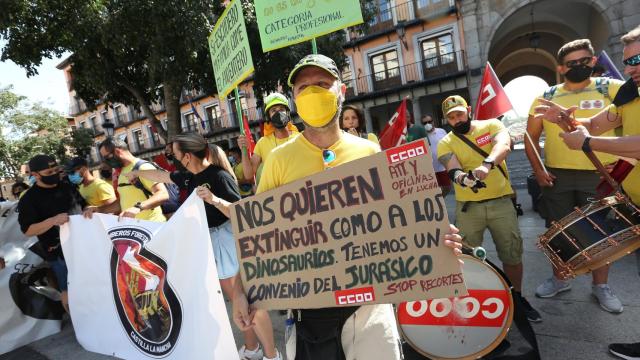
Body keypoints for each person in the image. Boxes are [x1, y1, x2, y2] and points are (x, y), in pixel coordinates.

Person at [232, 54, 464, 360]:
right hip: (309, 309)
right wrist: (238, 290)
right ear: (295, 100)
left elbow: (399, 219)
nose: (313, 92)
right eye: (304, 87)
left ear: (341, 91)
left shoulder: (369, 150)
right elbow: (259, 235)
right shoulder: (278, 160)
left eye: (322, 84)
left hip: (370, 306)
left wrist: (437, 243)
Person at [533, 25, 640, 360]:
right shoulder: (628, 93)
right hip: (633, 197)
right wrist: (565, 120)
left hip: (607, 180)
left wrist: (589, 144)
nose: (630, 68)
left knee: (604, 240)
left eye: (637, 59)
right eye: (627, 62)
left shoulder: (614, 87)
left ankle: (601, 287)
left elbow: (596, 138)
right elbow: (593, 125)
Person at [124, 134, 279, 360]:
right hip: (213, 242)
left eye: (176, 156)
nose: (174, 160)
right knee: (239, 304)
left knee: (252, 303)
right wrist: (137, 173)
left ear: (187, 156)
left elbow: (240, 214)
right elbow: (161, 175)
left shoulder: (219, 176)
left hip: (229, 241)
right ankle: (252, 350)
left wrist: (214, 200)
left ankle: (272, 355)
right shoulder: (188, 177)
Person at [525, 39, 624, 313]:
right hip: (558, 178)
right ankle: (560, 279)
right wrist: (538, 170)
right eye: (572, 64)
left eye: (584, 61)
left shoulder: (613, 89)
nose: (579, 66)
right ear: (561, 68)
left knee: (601, 234)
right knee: (559, 232)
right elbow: (529, 136)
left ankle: (600, 286)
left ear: (593, 62)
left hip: (601, 175)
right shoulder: (547, 97)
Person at [437, 95, 541, 323]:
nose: (456, 120)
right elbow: (451, 168)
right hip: (468, 208)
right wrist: (464, 178)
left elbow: (503, 145)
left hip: (501, 202)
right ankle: (473, 299)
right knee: (465, 257)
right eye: (451, 117)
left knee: (512, 253)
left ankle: (517, 297)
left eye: (459, 114)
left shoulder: (492, 124)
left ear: (469, 110)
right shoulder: (445, 142)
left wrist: (487, 164)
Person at [17, 154, 88, 312]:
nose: (54, 174)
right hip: (57, 252)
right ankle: (79, 324)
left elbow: (84, 205)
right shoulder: (28, 199)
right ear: (35, 175)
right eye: (48, 173)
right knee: (68, 289)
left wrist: (89, 210)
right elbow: (28, 230)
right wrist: (52, 220)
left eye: (56, 170)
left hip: (83, 246)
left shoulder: (68, 187)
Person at [98, 137, 168, 221]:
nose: (106, 161)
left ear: (117, 151)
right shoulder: (122, 172)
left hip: (153, 225)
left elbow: (163, 194)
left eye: (107, 157)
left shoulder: (143, 167)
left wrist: (138, 207)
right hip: (138, 229)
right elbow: (122, 202)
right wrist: (99, 209)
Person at [237, 92, 299, 185]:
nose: (278, 113)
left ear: (287, 113)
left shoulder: (299, 138)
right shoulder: (262, 143)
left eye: (282, 109)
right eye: (273, 110)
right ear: (268, 117)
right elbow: (249, 174)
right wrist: (243, 150)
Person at [423, 115, 451, 196]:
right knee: (434, 190)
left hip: (443, 166)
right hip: (430, 168)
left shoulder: (441, 131)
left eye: (429, 121)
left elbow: (448, 144)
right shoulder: (422, 135)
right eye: (425, 123)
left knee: (447, 187)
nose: (427, 124)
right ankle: (438, 205)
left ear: (433, 121)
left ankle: (440, 200)